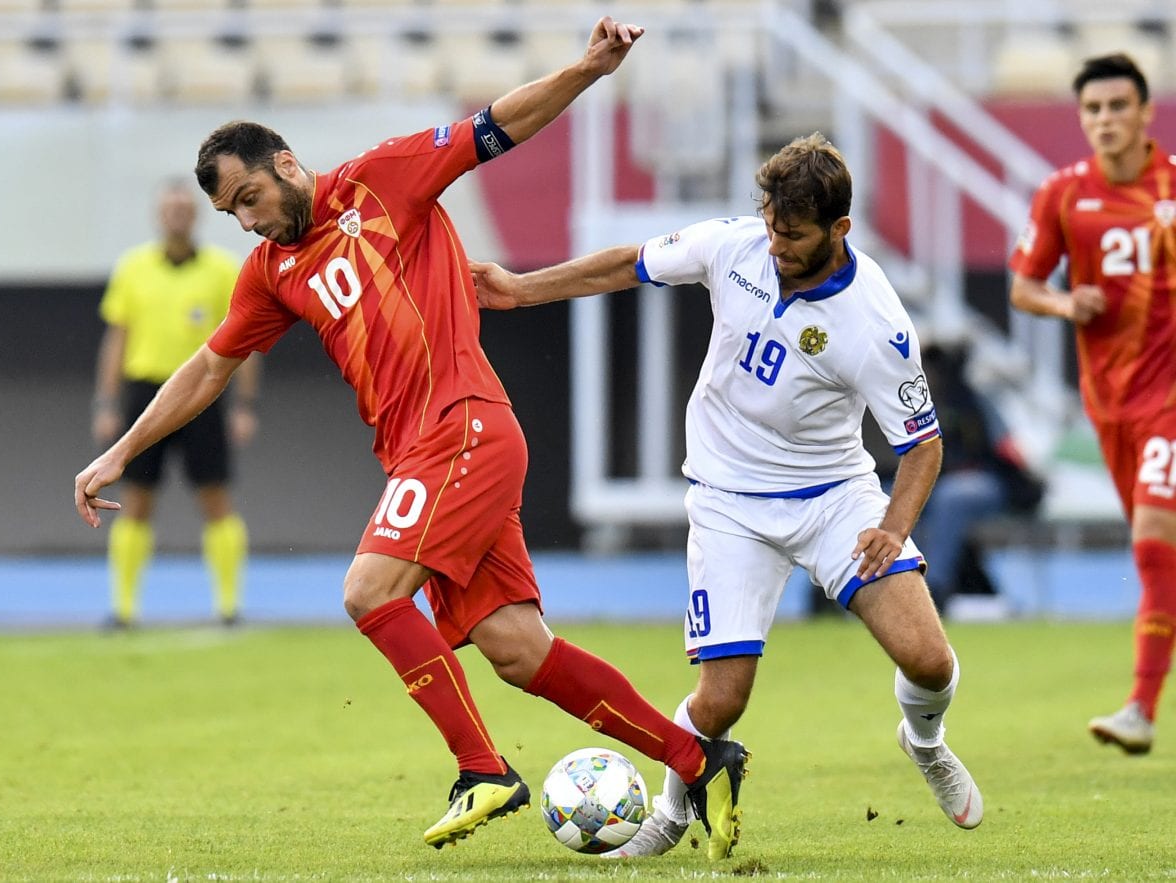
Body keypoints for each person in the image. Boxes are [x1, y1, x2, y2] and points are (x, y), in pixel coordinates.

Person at [73, 17, 750, 859]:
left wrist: (587, 69)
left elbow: (495, 127)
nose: (244, 222)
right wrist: (121, 450)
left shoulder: (383, 180)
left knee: (368, 592)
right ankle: (698, 757)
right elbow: (207, 369)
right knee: (516, 649)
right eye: (227, 212)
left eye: (247, 198)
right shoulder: (272, 273)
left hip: (461, 426)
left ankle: (483, 769)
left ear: (286, 164)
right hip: (432, 452)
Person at [471, 131, 985, 857]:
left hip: (834, 496)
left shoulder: (877, 324)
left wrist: (893, 529)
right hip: (728, 501)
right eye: (772, 225)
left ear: (840, 229)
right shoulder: (735, 246)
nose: (776, 246)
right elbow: (630, 263)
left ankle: (924, 740)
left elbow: (922, 445)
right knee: (721, 702)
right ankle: (669, 813)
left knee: (928, 660)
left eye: (795, 235)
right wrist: (521, 288)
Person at [1010, 53, 1176, 755]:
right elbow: (1023, 286)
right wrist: (1062, 301)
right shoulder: (1062, 194)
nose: (1105, 120)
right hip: (1108, 404)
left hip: (1169, 400)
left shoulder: (1171, 188)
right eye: (1093, 109)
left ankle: (1140, 706)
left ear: (1145, 112)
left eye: (1117, 106)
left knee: (1153, 542)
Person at [92, 179, 258, 628]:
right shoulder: (133, 268)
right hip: (146, 393)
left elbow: (246, 340)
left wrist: (244, 404)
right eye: (170, 208)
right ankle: (123, 610)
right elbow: (117, 337)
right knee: (137, 499)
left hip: (203, 395)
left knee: (215, 497)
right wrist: (107, 402)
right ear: (159, 215)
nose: (178, 215)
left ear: (198, 214)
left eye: (185, 208)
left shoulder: (223, 270)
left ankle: (229, 608)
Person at [910, 341, 1044, 614]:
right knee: (894, 494)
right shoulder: (912, 403)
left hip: (986, 483)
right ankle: (894, 586)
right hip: (933, 484)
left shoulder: (975, 401)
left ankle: (934, 588)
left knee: (954, 495)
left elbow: (1008, 450)